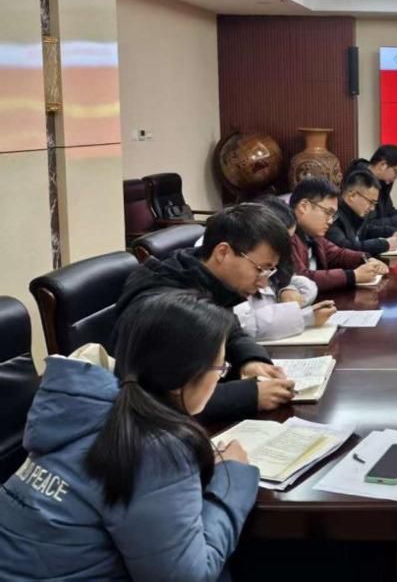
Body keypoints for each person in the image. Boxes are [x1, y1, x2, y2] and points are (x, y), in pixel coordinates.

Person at [0, 292, 260, 581]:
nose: (220, 375)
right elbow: (187, 577)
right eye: (220, 368)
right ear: (184, 376)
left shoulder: (78, 407)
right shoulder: (157, 447)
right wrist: (231, 479)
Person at [114, 203, 296, 421]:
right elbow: (153, 398)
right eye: (261, 269)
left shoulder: (202, 276)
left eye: (269, 272)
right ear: (223, 252)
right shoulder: (169, 305)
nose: (263, 283)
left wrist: (250, 360)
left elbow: (229, 328)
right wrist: (249, 395)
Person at [235, 196, 337, 341]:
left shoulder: (273, 260)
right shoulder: (240, 261)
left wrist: (287, 289)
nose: (285, 247)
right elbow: (245, 324)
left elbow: (298, 281)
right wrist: (305, 317)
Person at [289, 176, 389, 293]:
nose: (331, 221)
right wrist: (353, 276)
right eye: (328, 212)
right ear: (304, 207)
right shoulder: (286, 234)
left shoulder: (314, 236)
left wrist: (366, 259)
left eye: (333, 215)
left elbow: (338, 254)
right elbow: (301, 279)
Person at [327, 169, 397, 257]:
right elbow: (345, 248)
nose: (372, 208)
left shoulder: (353, 213)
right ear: (352, 195)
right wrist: (384, 245)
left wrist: (392, 232)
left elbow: (367, 230)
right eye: (371, 202)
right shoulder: (333, 216)